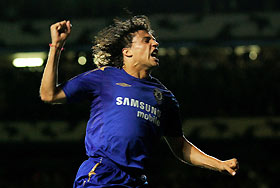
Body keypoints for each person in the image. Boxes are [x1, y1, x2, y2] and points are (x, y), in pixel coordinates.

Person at [40, 15, 239, 188]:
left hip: (135, 181)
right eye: (146, 41)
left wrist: (219, 164)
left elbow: (180, 147)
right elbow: (49, 95)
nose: (156, 44)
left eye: (154, 41)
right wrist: (56, 46)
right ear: (127, 52)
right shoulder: (104, 77)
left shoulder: (164, 97)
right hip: (101, 176)